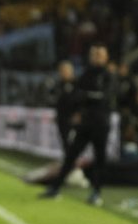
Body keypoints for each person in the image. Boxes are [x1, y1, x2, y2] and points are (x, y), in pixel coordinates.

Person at [40, 43, 116, 206]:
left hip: (101, 123)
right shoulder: (86, 75)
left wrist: (86, 97)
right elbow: (76, 96)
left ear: (106, 57)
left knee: (99, 158)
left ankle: (96, 192)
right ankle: (55, 187)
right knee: (71, 155)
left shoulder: (108, 76)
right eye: (94, 54)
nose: (96, 58)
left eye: (100, 55)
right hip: (86, 122)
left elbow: (105, 97)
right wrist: (82, 104)